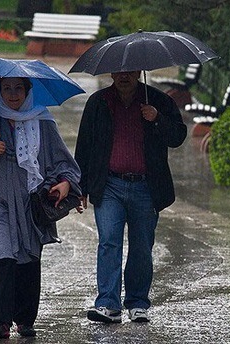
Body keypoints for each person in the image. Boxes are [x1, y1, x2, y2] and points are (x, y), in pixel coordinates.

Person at [0, 77, 82, 338]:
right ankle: (1, 321)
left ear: (28, 91)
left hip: (30, 205)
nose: (13, 94)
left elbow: (64, 163)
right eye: (7, 88)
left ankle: (25, 320)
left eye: (19, 88)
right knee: (2, 256)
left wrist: (64, 184)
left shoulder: (43, 123)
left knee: (28, 259)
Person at [74, 70, 187, 323]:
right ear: (112, 72)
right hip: (110, 184)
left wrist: (157, 118)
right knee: (108, 243)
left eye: (130, 71)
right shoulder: (99, 102)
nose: (124, 76)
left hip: (146, 187)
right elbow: (85, 145)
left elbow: (178, 136)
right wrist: (80, 187)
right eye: (119, 71)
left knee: (141, 247)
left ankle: (137, 302)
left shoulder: (158, 101)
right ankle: (108, 304)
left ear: (138, 72)